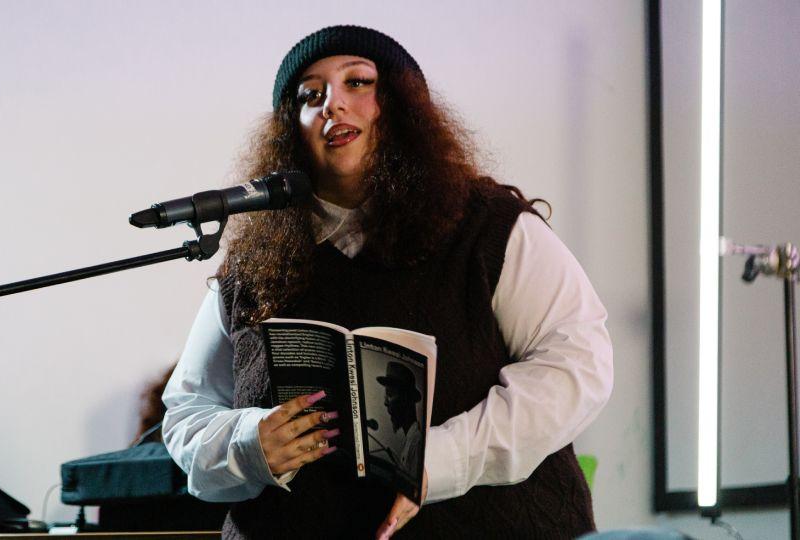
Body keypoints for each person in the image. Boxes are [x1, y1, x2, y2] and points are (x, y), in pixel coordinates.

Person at [161, 25, 613, 539]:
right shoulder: (251, 265)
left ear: (402, 106)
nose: (332, 105)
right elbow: (187, 412)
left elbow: (577, 363)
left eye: (357, 83)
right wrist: (249, 444)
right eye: (311, 95)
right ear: (291, 131)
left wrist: (438, 461)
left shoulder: (490, 229)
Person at [375, 361, 423, 478]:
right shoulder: (410, 441)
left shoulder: (417, 444)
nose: (385, 402)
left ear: (406, 399)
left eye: (390, 394)